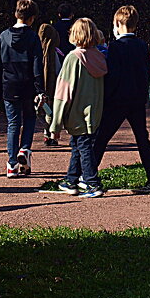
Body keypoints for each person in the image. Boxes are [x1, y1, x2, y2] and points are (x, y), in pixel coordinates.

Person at [92, 6, 150, 193]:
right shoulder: (141, 45)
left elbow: (112, 74)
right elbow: (148, 69)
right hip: (137, 99)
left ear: (117, 24)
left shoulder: (115, 46)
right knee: (142, 139)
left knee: (102, 138)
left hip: (117, 99)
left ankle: (89, 174)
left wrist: (107, 95)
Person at [51, 18, 108, 198]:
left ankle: (92, 183)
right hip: (94, 111)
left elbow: (63, 92)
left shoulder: (72, 58)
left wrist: (55, 123)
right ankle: (71, 179)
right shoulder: (99, 56)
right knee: (78, 144)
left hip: (76, 112)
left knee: (83, 147)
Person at [0, 0, 44, 177]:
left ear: (16, 14)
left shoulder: (3, 36)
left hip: (9, 84)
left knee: (13, 123)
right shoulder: (33, 37)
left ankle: (12, 163)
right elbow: (38, 65)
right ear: (32, 18)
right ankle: (25, 149)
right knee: (30, 118)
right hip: (28, 84)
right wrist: (40, 89)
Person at [37, 21, 62, 146]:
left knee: (44, 112)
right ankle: (50, 135)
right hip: (52, 89)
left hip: (37, 88)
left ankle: (47, 134)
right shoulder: (53, 53)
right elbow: (58, 71)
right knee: (51, 113)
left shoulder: (35, 51)